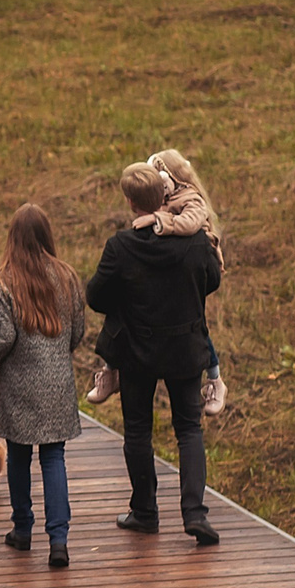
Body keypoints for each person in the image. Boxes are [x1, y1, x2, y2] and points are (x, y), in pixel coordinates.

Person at [85, 163, 224, 545]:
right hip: (185, 349)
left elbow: (95, 296)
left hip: (136, 352)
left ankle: (145, 512)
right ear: (165, 196)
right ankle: (195, 513)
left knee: (138, 431)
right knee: (189, 429)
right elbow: (211, 279)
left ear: (130, 202)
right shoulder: (195, 241)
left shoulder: (120, 246)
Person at [0, 203, 87, 569]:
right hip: (57, 382)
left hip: (20, 383)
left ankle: (22, 530)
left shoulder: (1, 280)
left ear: (12, 237)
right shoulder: (68, 277)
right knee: (54, 457)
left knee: (21, 456)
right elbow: (78, 332)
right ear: (47, 235)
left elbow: (2, 337)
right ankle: (59, 541)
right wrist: (57, 355)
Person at [85, 147, 226, 416]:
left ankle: (216, 379)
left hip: (155, 335)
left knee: (140, 428)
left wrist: (156, 218)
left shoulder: (191, 203)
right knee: (188, 427)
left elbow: (189, 224)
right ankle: (109, 368)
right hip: (182, 340)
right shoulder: (167, 199)